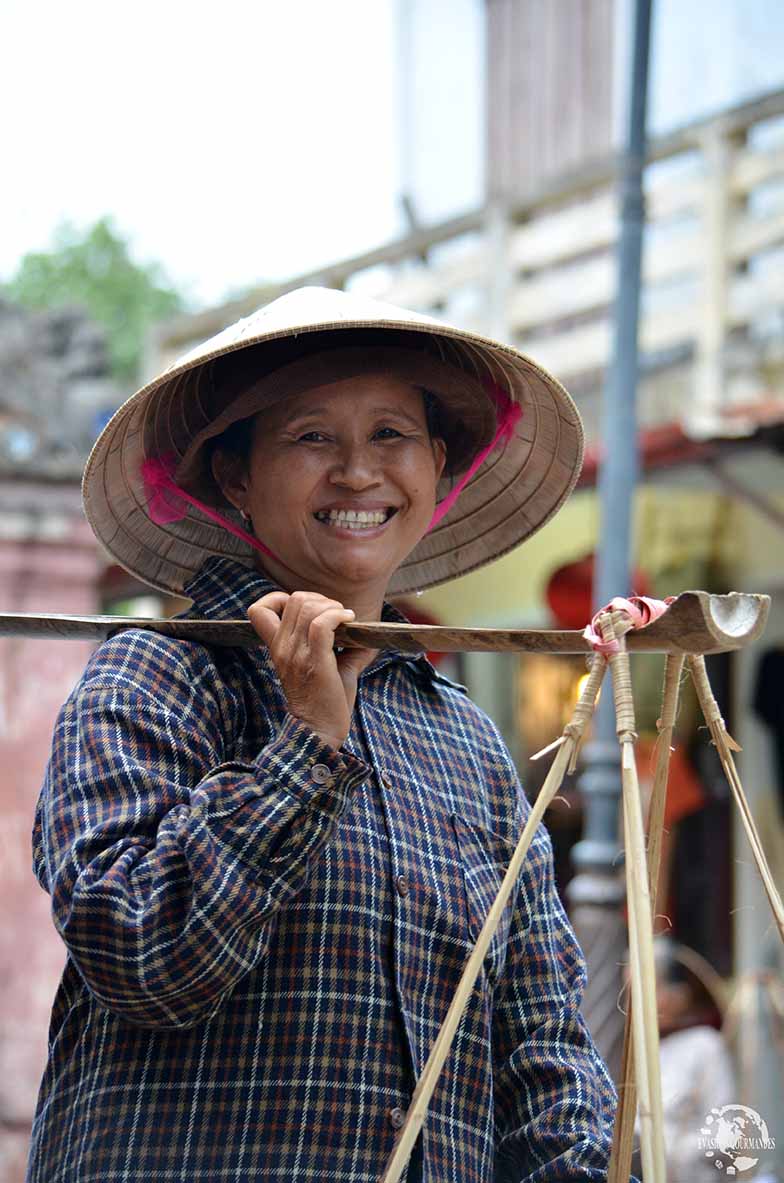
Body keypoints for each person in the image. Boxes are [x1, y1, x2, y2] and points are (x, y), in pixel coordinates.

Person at [28, 287, 619, 1182]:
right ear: (235, 477)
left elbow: (540, 1033)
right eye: (312, 437)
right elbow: (142, 954)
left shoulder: (463, 737)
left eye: (391, 434)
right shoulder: (154, 676)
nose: (358, 473)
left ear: (436, 463)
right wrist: (306, 744)